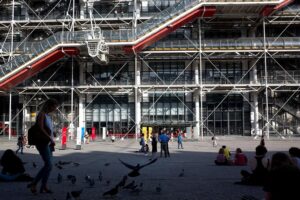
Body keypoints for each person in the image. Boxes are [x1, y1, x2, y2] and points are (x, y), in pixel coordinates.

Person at [27, 98, 58, 194]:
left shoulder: (48, 116)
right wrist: (50, 137)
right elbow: (40, 128)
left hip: (49, 143)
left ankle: (44, 186)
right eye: (54, 106)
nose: (55, 109)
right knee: (48, 165)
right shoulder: (41, 114)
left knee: (49, 166)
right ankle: (34, 183)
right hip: (43, 142)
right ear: (49, 105)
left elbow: (47, 128)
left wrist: (53, 135)